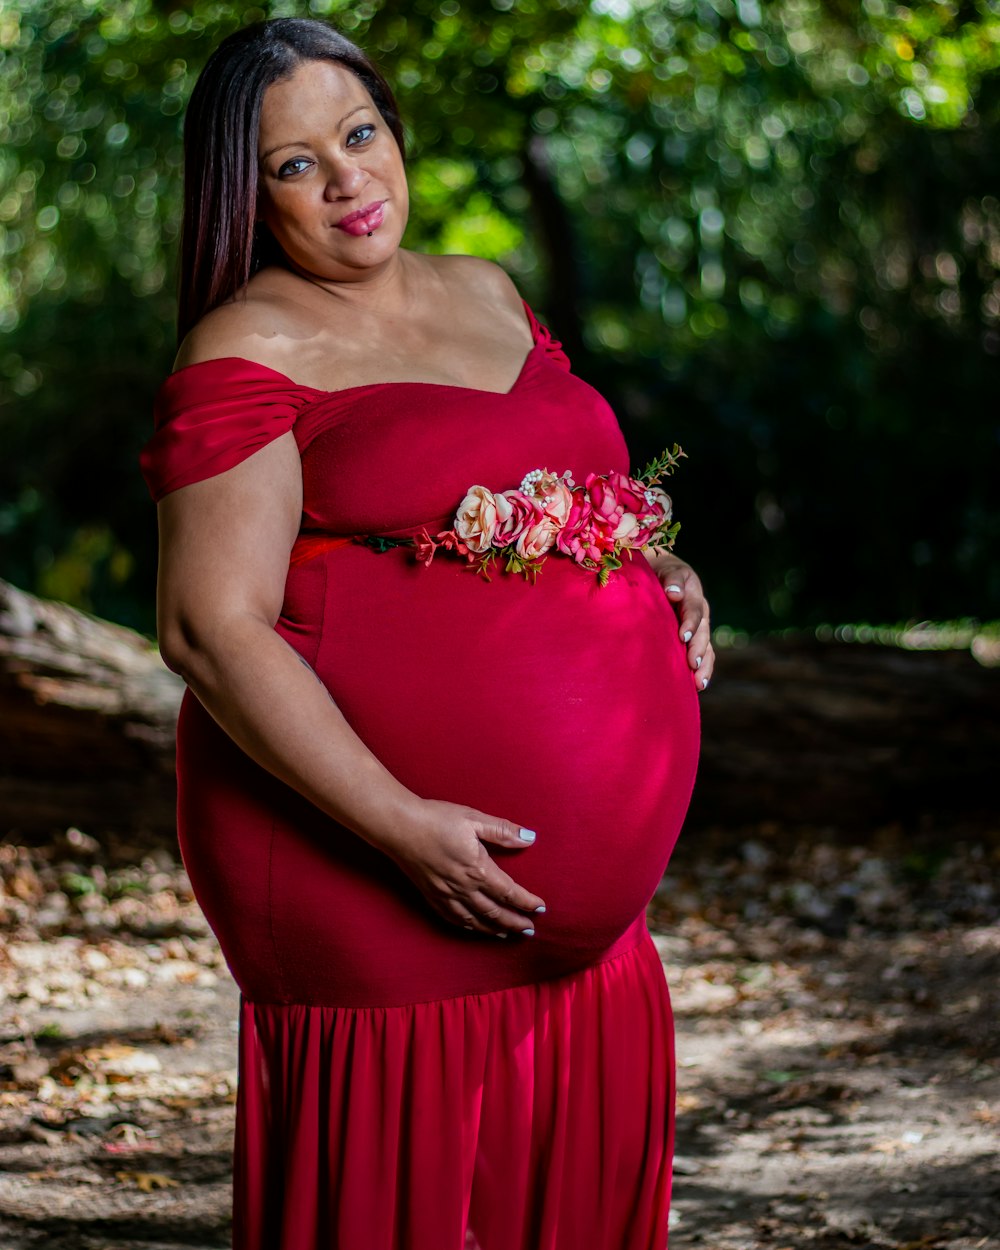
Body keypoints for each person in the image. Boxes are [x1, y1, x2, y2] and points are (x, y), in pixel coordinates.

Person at [139, 17, 714, 1250]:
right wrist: (400, 825)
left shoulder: (484, 288)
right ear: (248, 194)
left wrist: (643, 561)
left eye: (359, 134)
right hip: (367, 866)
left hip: (585, 928)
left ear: (395, 134)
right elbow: (207, 626)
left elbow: (540, 485)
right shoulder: (246, 345)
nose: (348, 177)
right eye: (296, 163)